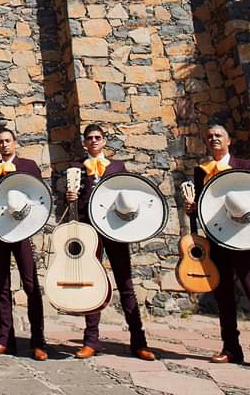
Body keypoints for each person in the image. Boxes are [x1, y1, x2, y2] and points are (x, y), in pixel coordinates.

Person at [188, 124, 250, 373]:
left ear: (228, 140)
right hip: (216, 240)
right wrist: (192, 209)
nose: (213, 139)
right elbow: (203, 208)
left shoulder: (248, 166)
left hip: (243, 239)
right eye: (209, 136)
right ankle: (231, 348)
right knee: (223, 298)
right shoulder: (201, 171)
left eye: (218, 135)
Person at [65, 124, 156, 361]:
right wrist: (70, 198)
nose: (94, 141)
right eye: (89, 138)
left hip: (115, 229)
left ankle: (139, 342)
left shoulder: (117, 167)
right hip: (89, 231)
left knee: (125, 283)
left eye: (98, 137)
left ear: (104, 141)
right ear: (85, 143)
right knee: (92, 284)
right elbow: (72, 204)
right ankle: (90, 341)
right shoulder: (76, 167)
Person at [0, 128, 47, 359]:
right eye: (0, 142)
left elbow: (39, 197)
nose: (4, 145)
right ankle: (6, 339)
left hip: (22, 231)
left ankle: (38, 341)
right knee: (2, 285)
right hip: (0, 230)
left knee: (30, 284)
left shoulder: (29, 166)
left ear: (15, 143)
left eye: (7, 141)